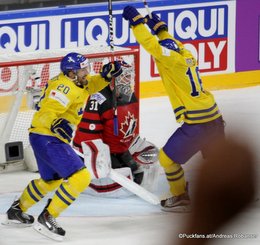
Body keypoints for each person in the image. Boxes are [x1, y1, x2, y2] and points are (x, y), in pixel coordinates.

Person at [4, 52, 122, 241]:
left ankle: (17, 210)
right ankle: (47, 217)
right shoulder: (63, 88)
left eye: (86, 69)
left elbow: (90, 85)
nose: (86, 73)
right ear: (71, 73)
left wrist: (105, 77)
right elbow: (47, 111)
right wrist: (55, 123)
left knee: (52, 180)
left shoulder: (77, 82)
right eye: (83, 70)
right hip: (48, 137)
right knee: (81, 177)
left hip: (42, 136)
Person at [123, 6, 225, 212]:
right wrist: (160, 29)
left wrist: (136, 22)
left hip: (198, 123)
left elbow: (150, 45)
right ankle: (233, 191)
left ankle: (180, 196)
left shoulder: (171, 59)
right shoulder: (185, 53)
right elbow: (167, 42)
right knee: (218, 160)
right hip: (213, 116)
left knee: (167, 160)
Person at [72, 60, 160, 197]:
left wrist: (129, 147)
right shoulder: (99, 98)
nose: (128, 81)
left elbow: (130, 127)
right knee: (123, 180)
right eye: (124, 77)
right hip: (97, 150)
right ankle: (81, 178)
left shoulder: (130, 96)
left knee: (141, 166)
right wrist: (98, 156)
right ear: (113, 79)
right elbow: (87, 135)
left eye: (130, 76)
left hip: (118, 149)